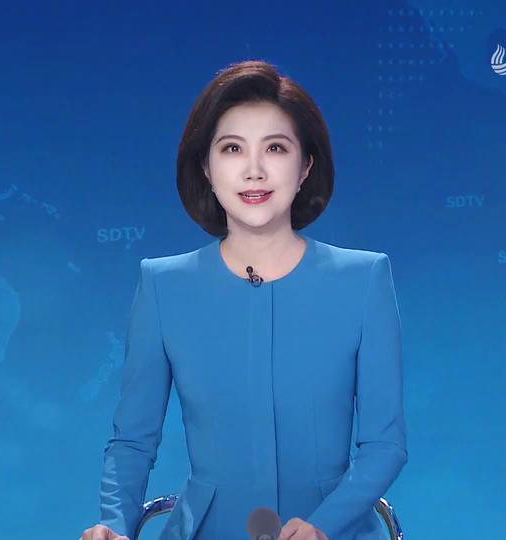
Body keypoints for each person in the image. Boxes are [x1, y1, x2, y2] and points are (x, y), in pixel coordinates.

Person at [79, 59, 407, 540]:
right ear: (206, 168)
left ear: (306, 166)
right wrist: (114, 525)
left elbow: (384, 446)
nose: (254, 171)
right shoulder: (162, 286)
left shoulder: (364, 279)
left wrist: (323, 526)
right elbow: (133, 441)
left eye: (275, 148)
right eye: (232, 148)